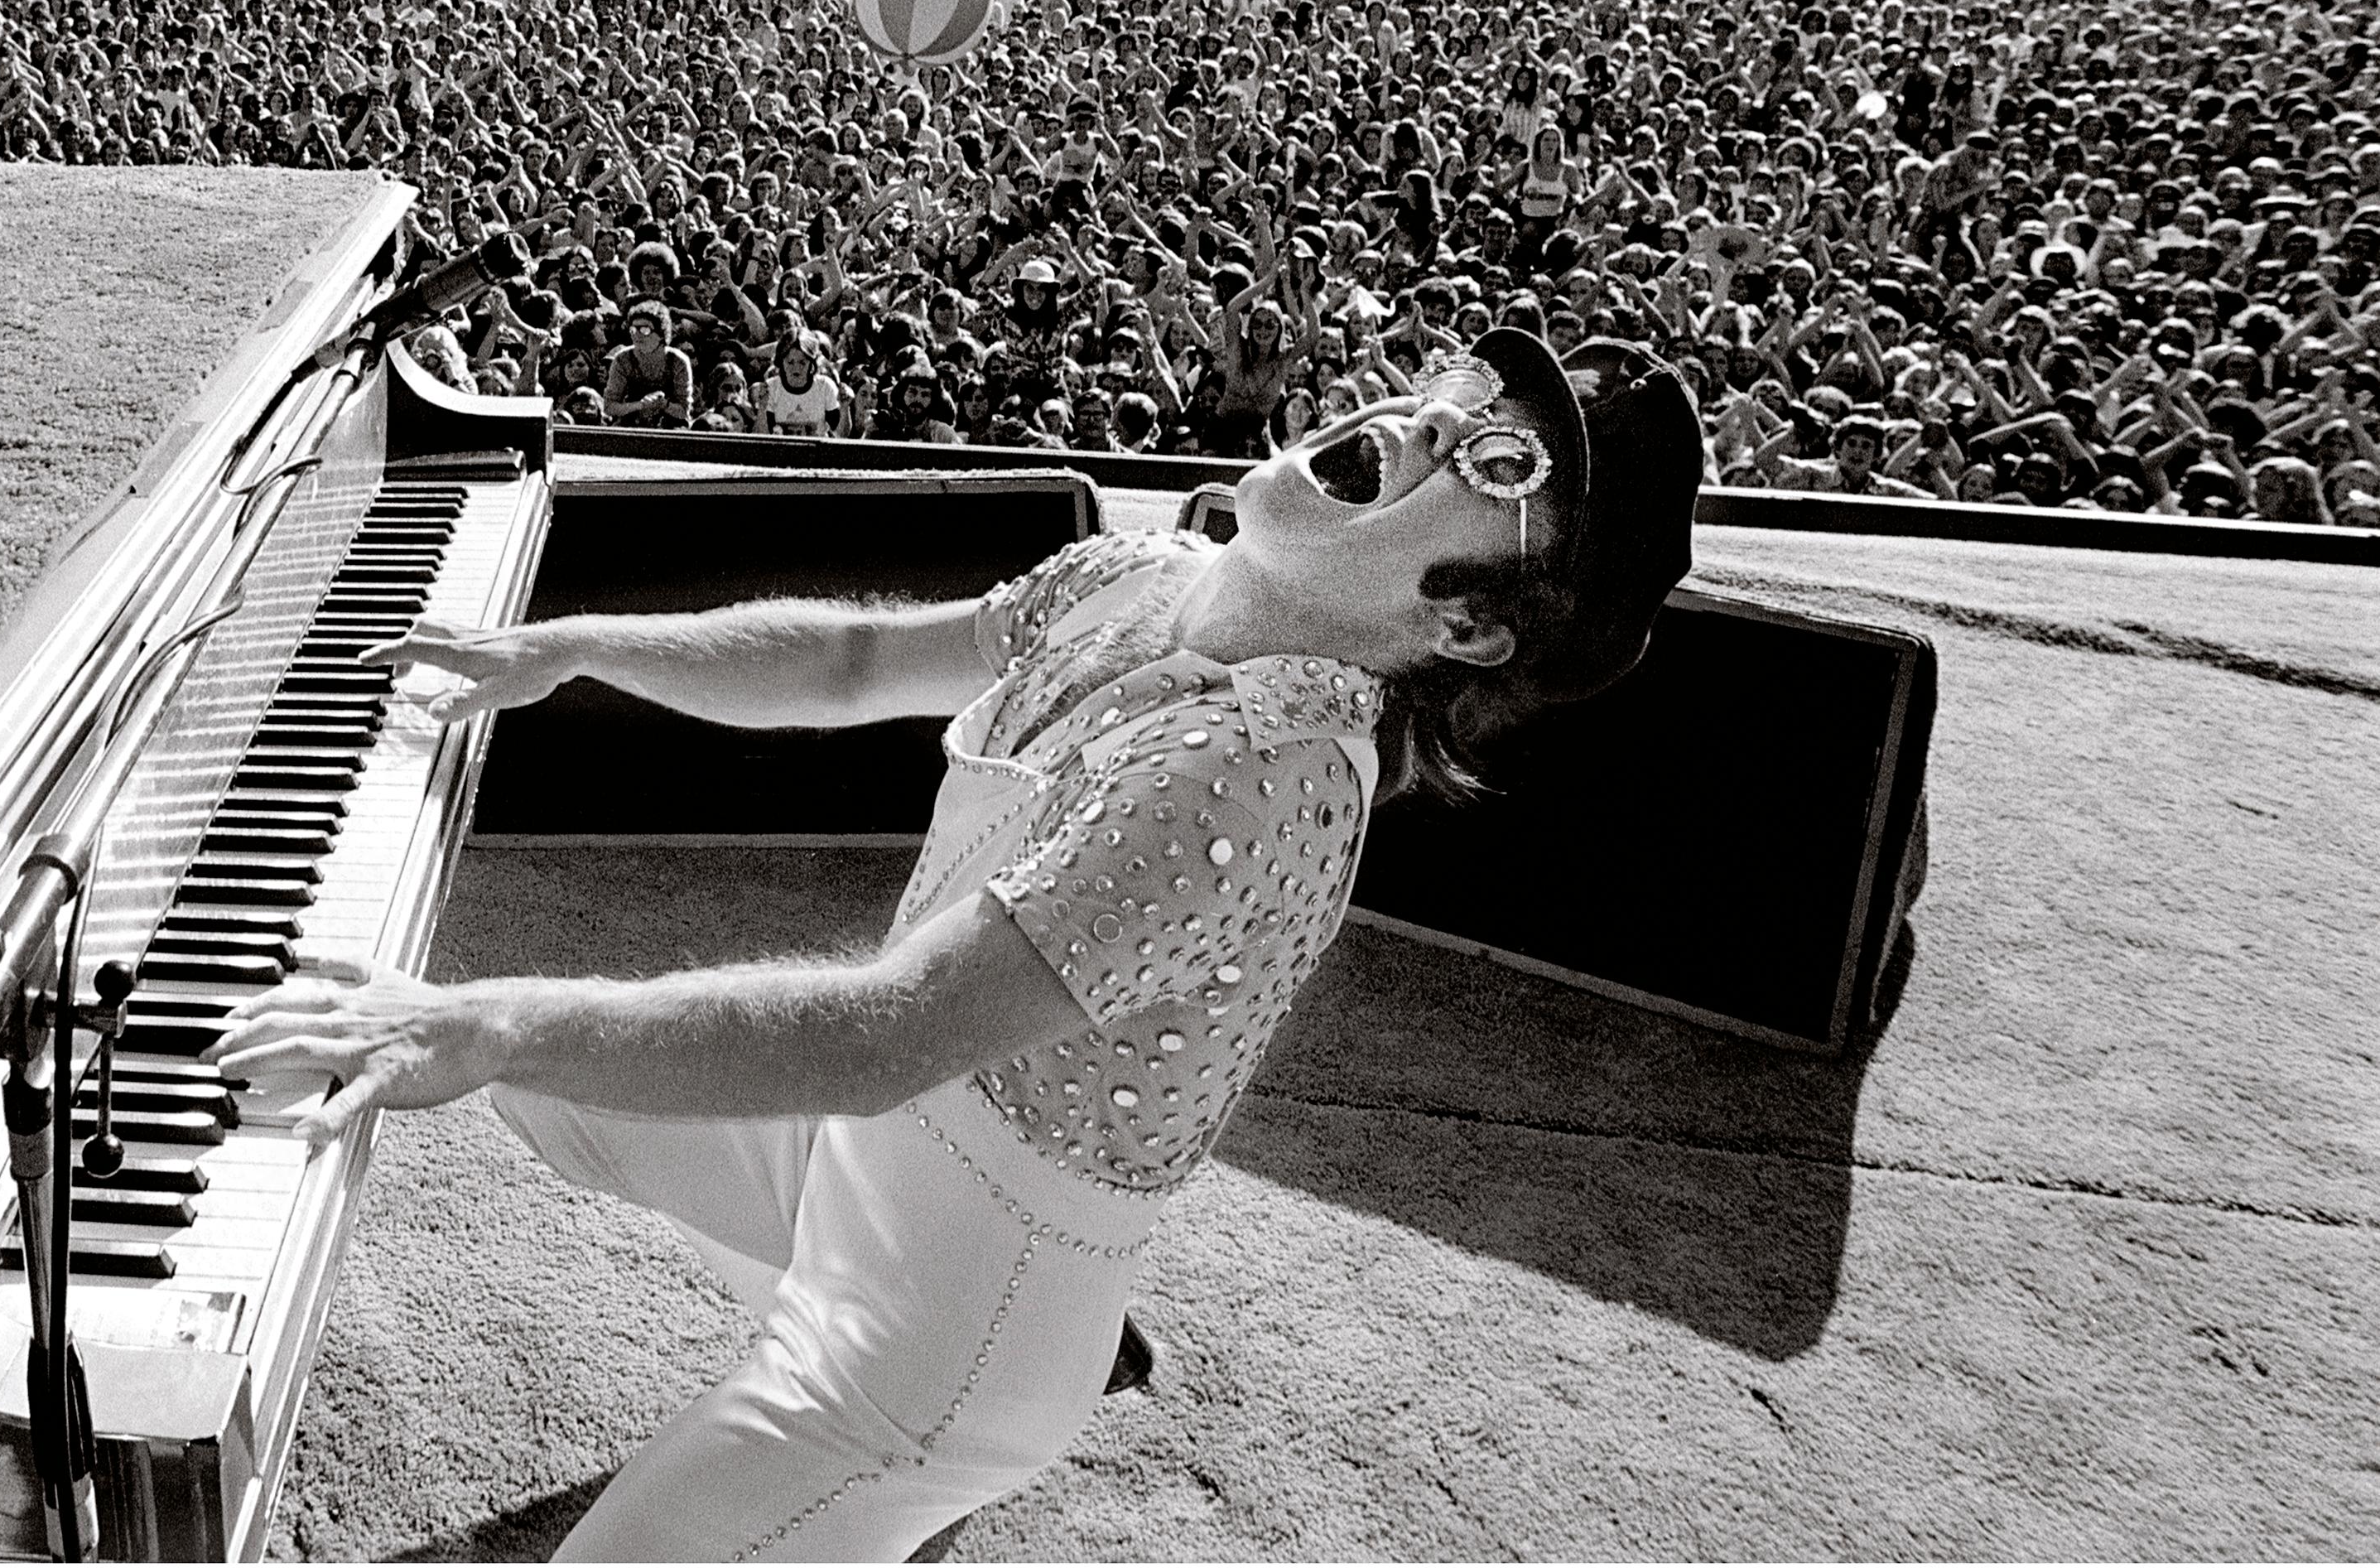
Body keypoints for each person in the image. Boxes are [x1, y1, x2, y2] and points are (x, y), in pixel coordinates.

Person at [214, 332, 1704, 1561]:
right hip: (871, 1167)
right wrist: (583, 645)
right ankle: (1011, 1360)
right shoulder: (1142, 577)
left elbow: (881, 1037)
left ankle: (981, 1411)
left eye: (1494, 468)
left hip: (942, 1335)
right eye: (1453, 394)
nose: (1429, 425)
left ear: (1477, 631)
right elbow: (856, 658)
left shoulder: (1254, 771)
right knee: (555, 1075)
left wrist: (480, 1018)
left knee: (531, 1073)